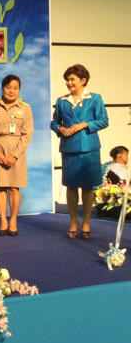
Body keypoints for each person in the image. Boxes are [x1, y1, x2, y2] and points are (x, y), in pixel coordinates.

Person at [51, 64, 108, 239]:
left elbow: (104, 121)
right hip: (69, 148)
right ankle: (73, 221)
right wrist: (60, 129)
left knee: (88, 186)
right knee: (71, 185)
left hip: (89, 149)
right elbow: (54, 123)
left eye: (72, 79)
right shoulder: (62, 101)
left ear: (83, 80)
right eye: (67, 80)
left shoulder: (95, 98)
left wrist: (85, 124)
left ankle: (87, 221)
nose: (68, 83)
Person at [0, 75, 33, 236]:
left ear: (19, 90)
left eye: (15, 88)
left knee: (14, 188)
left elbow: (27, 135)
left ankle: (13, 221)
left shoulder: (25, 108)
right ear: (2, 88)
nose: (11, 91)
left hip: (17, 152)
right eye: (8, 87)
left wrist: (14, 155)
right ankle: (3, 221)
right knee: (0, 187)